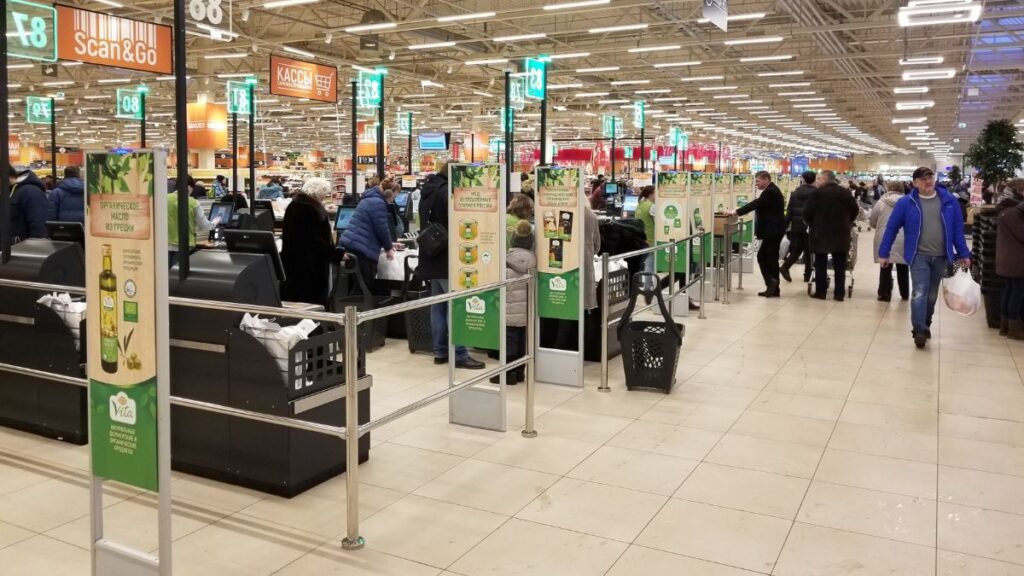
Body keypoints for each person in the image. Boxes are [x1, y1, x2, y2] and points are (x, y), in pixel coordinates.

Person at [879, 166, 971, 348]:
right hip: (918, 255)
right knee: (919, 291)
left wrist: (964, 254)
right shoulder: (906, 203)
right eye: (923, 179)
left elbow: (957, 231)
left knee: (931, 294)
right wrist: (883, 253)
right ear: (915, 183)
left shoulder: (949, 201)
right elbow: (891, 228)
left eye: (930, 177)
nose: (928, 182)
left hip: (941, 255)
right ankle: (919, 330)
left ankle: (926, 322)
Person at [417, 163, 486, 369]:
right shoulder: (448, 193)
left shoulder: (428, 190)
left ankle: (440, 351)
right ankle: (460, 354)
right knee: (456, 306)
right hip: (448, 256)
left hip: (431, 255)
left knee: (437, 306)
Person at [281, 178, 344, 306]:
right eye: (323, 194)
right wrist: (336, 254)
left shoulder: (294, 205)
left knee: (296, 301)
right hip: (310, 267)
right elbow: (315, 241)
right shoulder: (310, 209)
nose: (324, 197)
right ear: (317, 192)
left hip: (294, 264)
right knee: (311, 303)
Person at [724, 171, 785, 297]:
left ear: (766, 179)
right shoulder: (771, 190)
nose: (756, 184)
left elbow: (755, 204)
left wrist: (735, 212)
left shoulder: (771, 192)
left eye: (757, 181)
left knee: (766, 258)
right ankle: (773, 287)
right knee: (767, 258)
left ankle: (772, 284)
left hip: (772, 231)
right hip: (773, 231)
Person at [491, 220, 536, 384]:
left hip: (509, 309)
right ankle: (519, 371)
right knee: (522, 339)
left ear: (513, 240)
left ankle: (507, 373)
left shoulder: (506, 260)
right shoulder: (534, 261)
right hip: (526, 310)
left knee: (509, 339)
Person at [804, 170, 860, 301]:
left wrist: (811, 222)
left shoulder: (817, 193)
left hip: (820, 232)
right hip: (841, 233)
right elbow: (855, 210)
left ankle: (821, 292)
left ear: (826, 179)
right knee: (840, 264)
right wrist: (847, 221)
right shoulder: (845, 193)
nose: (817, 181)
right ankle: (839, 294)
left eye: (819, 179)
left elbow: (807, 212)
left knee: (820, 262)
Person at [339, 176, 394, 295]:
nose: (393, 200)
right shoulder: (378, 202)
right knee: (363, 286)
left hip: (354, 245)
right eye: (394, 196)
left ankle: (351, 311)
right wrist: (389, 248)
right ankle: (354, 312)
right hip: (361, 250)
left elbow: (372, 227)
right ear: (389, 193)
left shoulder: (369, 198)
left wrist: (390, 244)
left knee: (358, 285)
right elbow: (382, 228)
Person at [870, 181, 910, 302]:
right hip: (904, 237)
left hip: (885, 236)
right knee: (903, 265)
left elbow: (873, 221)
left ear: (888, 189)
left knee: (885, 266)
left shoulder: (881, 203)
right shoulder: (909, 202)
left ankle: (884, 293)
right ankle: (905, 293)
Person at [168, 178, 219, 267]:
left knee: (166, 276)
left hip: (164, 244)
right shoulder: (194, 203)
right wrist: (214, 223)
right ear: (189, 187)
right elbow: (204, 225)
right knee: (178, 275)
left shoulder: (164, 199)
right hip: (184, 245)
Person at [996, 179, 1024, 338]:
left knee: (1009, 290)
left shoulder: (1007, 210)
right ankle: (1013, 327)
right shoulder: (1013, 212)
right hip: (1016, 260)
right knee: (1016, 292)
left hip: (1008, 259)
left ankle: (1005, 325)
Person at [780, 170, 816, 283]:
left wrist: (784, 226)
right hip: (810, 227)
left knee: (797, 249)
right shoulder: (817, 194)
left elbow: (789, 211)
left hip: (796, 227)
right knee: (810, 251)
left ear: (803, 179)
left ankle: (785, 267)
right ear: (814, 180)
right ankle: (807, 275)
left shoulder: (794, 193)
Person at [7, 166, 48, 242]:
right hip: (10, 249)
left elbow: (38, 228)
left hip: (21, 250)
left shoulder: (31, 191)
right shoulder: (9, 192)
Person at [636, 185, 657, 273]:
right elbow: (658, 223)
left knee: (644, 263)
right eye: (656, 193)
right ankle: (647, 286)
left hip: (641, 238)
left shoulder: (640, 205)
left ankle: (645, 284)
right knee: (650, 265)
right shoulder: (652, 206)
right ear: (650, 195)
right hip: (650, 238)